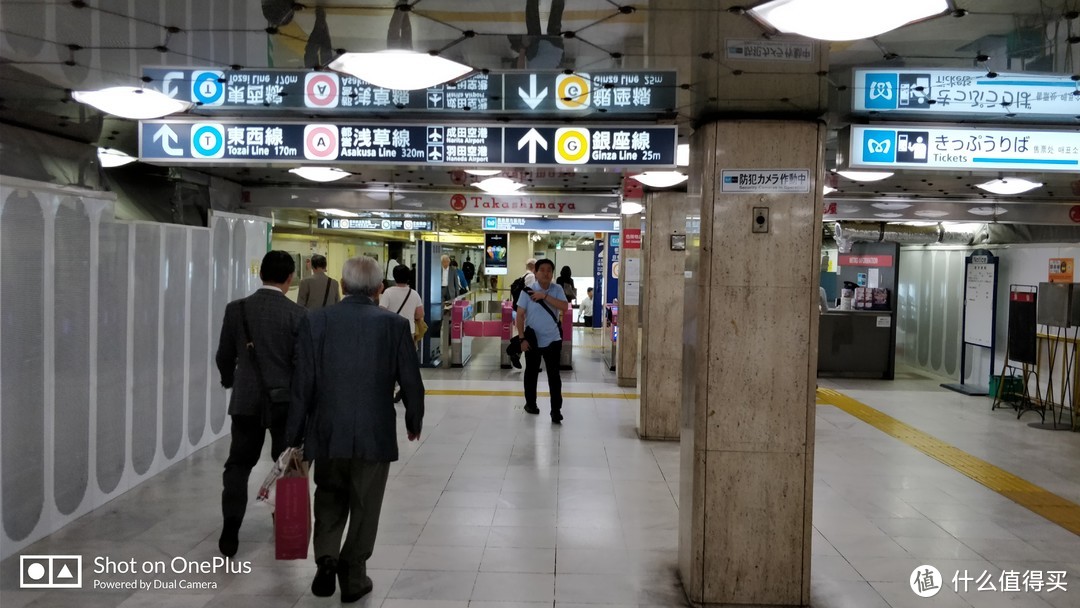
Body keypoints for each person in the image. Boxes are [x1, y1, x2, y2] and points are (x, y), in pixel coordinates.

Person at [288, 256, 424, 603]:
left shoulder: (315, 321)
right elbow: (411, 379)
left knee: (329, 493)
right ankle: (354, 573)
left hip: (326, 428)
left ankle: (327, 557)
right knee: (366, 503)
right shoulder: (393, 325)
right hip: (373, 430)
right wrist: (413, 417)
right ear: (379, 289)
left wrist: (293, 432)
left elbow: (302, 382)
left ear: (343, 286)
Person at [214, 250, 307, 558]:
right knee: (286, 465)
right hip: (284, 403)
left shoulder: (236, 310)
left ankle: (230, 528)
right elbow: (301, 364)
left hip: (246, 400)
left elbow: (224, 356)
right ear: (290, 278)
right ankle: (281, 521)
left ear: (260, 274)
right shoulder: (297, 315)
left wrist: (231, 381)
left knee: (238, 464)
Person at [516, 259, 569, 423]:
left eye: (549, 270)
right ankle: (530, 404)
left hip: (553, 339)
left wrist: (544, 296)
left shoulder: (557, 288)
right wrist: (521, 339)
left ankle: (555, 410)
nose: (546, 273)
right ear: (536, 273)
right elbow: (519, 315)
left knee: (554, 376)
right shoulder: (527, 291)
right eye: (542, 270)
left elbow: (564, 307)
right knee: (531, 373)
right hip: (532, 339)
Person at [508, 0, 565, 69]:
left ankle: (558, 2)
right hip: (545, 50)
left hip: (552, 50)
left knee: (554, 23)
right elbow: (520, 70)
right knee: (534, 24)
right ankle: (533, 2)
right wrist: (522, 49)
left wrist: (522, 49)